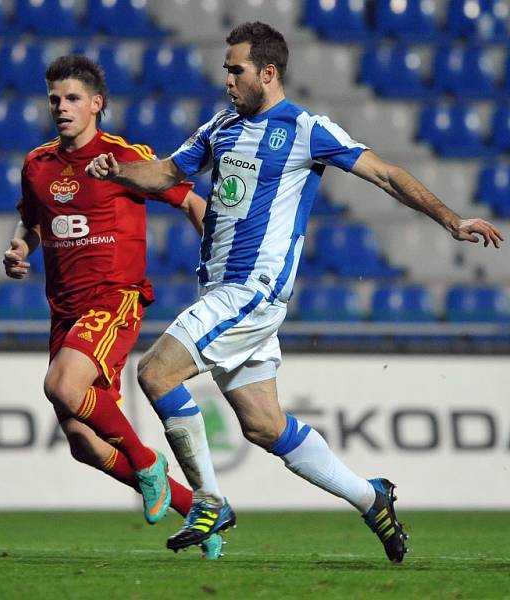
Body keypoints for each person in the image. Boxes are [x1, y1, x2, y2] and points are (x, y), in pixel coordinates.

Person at [86, 21, 504, 563]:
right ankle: (370, 497)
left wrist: (450, 219)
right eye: (225, 70)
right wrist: (118, 171)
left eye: (236, 70)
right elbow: (166, 174)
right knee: (264, 426)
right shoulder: (221, 126)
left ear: (268, 71)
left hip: (251, 290)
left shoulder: (306, 128)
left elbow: (386, 175)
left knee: (155, 372)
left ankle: (209, 499)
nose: (228, 79)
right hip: (222, 288)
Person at [1, 55, 222, 558]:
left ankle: (146, 465)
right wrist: (19, 248)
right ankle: (200, 513)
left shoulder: (123, 157)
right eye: (55, 99)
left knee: (61, 385)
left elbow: (189, 201)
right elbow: (31, 223)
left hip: (114, 297)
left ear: (97, 104)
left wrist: (225, 258)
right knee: (82, 440)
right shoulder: (36, 165)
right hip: (64, 310)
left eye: (73, 98)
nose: (61, 107)